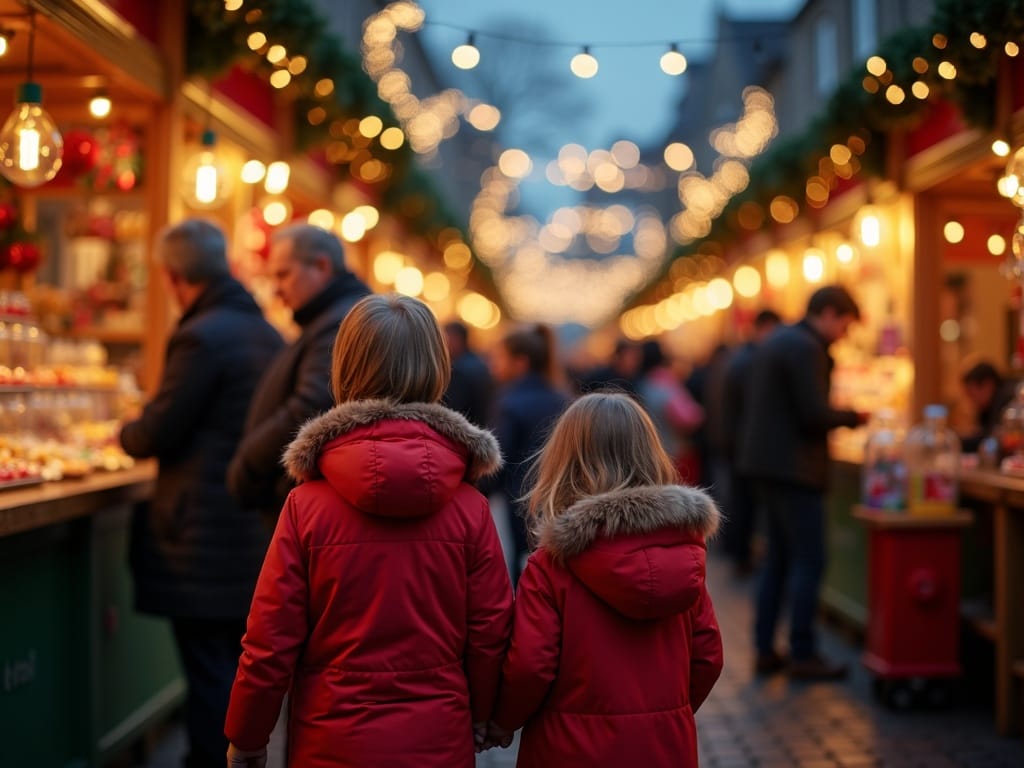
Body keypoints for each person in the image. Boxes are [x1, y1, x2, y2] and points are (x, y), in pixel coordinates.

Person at [224, 294, 513, 768]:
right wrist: (484, 716)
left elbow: (270, 639)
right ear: (437, 368)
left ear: (345, 367)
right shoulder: (470, 509)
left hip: (330, 740)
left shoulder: (305, 506)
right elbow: (490, 634)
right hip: (437, 738)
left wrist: (248, 735)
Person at [118, 219, 284, 768]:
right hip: (247, 530)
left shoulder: (200, 336)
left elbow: (158, 430)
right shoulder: (265, 331)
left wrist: (127, 427)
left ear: (172, 275)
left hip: (199, 534)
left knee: (209, 671)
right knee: (230, 665)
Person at [484, 392, 723, 766]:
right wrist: (665, 714)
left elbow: (531, 666)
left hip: (567, 749)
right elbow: (708, 657)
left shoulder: (553, 566)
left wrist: (502, 722)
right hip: (665, 747)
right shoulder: (685, 555)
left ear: (565, 463)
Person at [737, 285, 866, 680]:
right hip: (795, 470)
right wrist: (852, 417)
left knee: (777, 558)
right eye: (844, 325)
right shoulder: (807, 348)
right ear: (828, 313)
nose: (844, 334)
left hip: (766, 466)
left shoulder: (780, 340)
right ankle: (803, 651)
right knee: (810, 558)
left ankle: (764, 648)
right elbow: (812, 414)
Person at [227, 223, 370, 525]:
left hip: (304, 506)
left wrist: (250, 461)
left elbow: (310, 407)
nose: (276, 289)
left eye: (283, 274)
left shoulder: (338, 324)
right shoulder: (327, 319)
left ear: (321, 266)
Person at [487, 324, 570, 583]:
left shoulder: (510, 403)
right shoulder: (562, 398)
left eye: (500, 358)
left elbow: (499, 460)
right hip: (561, 495)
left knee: (525, 568)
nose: (494, 366)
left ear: (520, 363)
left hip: (522, 500)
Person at [719, 309, 781, 577]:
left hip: (736, 443)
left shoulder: (738, 359)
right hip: (747, 446)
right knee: (747, 505)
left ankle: (740, 553)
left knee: (740, 502)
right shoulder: (751, 362)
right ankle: (743, 555)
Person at [636, 339, 704, 482]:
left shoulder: (642, 384)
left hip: (653, 454)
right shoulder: (666, 383)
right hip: (677, 453)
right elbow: (688, 418)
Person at [442, 319, 495, 428]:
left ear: (456, 338)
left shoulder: (460, 370)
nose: (443, 343)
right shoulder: (480, 363)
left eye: (446, 338)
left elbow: (456, 407)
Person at [960, 360, 1018, 453]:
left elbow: (992, 440)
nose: (971, 401)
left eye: (971, 395)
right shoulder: (989, 404)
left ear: (988, 385)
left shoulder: (1007, 400)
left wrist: (957, 442)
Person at [576, 337, 642, 396]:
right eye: (631, 357)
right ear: (619, 356)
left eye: (636, 357)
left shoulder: (635, 380)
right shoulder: (599, 377)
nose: (635, 361)